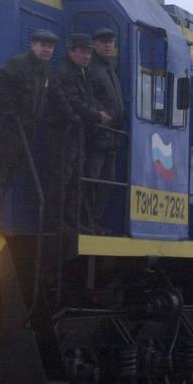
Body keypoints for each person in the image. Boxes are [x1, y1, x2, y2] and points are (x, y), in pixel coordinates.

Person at [0, 30, 64, 224]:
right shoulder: (19, 64)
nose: (47, 49)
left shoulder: (46, 72)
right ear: (33, 46)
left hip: (22, 132)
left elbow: (58, 96)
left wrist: (73, 116)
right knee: (1, 175)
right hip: (4, 129)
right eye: (43, 45)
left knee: (9, 174)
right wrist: (11, 108)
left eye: (50, 46)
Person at [55, 32, 112, 231]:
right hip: (64, 136)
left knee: (75, 181)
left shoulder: (81, 72)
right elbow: (74, 102)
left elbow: (85, 100)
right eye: (82, 52)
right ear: (71, 52)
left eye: (89, 52)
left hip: (76, 136)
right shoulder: (66, 73)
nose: (87, 56)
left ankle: (73, 222)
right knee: (64, 180)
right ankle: (59, 222)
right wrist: (97, 116)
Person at [85, 28, 125, 232]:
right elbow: (87, 97)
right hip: (97, 134)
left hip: (111, 137)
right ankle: (87, 221)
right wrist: (98, 116)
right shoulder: (92, 69)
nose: (108, 45)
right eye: (103, 41)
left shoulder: (109, 69)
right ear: (94, 44)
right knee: (91, 179)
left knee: (107, 182)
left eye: (110, 41)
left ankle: (95, 221)